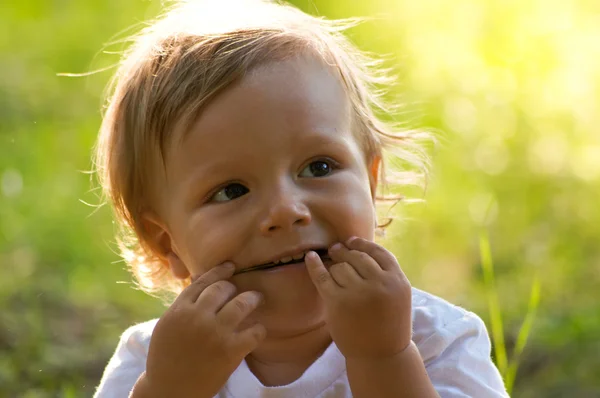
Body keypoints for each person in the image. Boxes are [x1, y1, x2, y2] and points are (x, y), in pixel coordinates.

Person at [93, 0, 509, 396]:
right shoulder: (157, 363)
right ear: (166, 241)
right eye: (231, 191)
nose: (286, 211)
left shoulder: (437, 340)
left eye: (319, 167)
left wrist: (384, 358)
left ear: (370, 181)